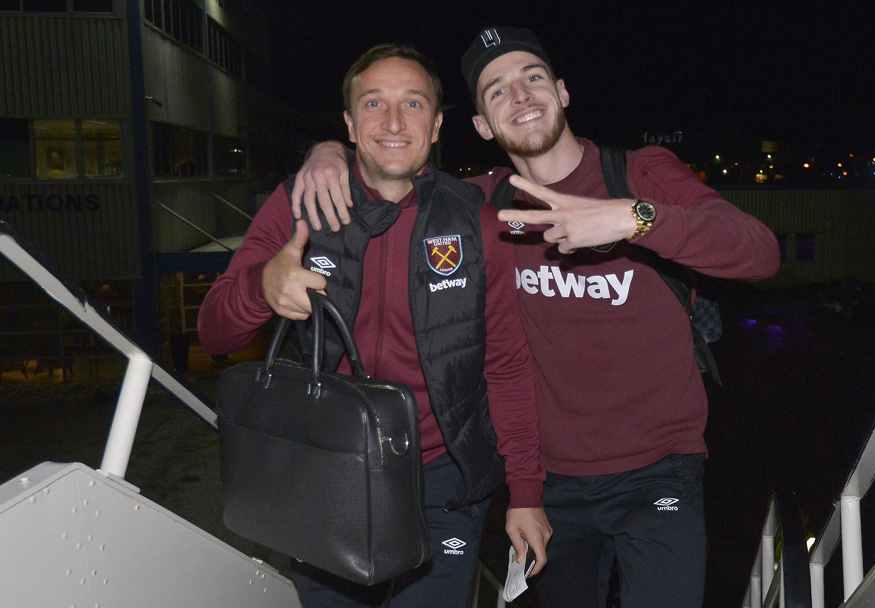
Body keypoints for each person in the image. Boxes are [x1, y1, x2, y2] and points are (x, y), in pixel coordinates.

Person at [293, 28, 780, 608]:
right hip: (547, 487)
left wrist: (633, 220)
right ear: (480, 125)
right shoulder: (480, 208)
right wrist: (329, 153)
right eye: (497, 91)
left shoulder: (639, 175)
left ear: (563, 92)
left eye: (532, 78)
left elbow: (759, 252)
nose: (519, 95)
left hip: (659, 471)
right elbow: (389, 171)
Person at [197, 43, 551, 608]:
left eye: (412, 104)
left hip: (443, 479)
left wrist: (526, 492)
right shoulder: (299, 205)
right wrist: (262, 286)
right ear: (349, 123)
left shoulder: (475, 223)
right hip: (327, 471)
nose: (392, 122)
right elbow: (215, 334)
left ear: (436, 125)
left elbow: (506, 366)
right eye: (373, 103)